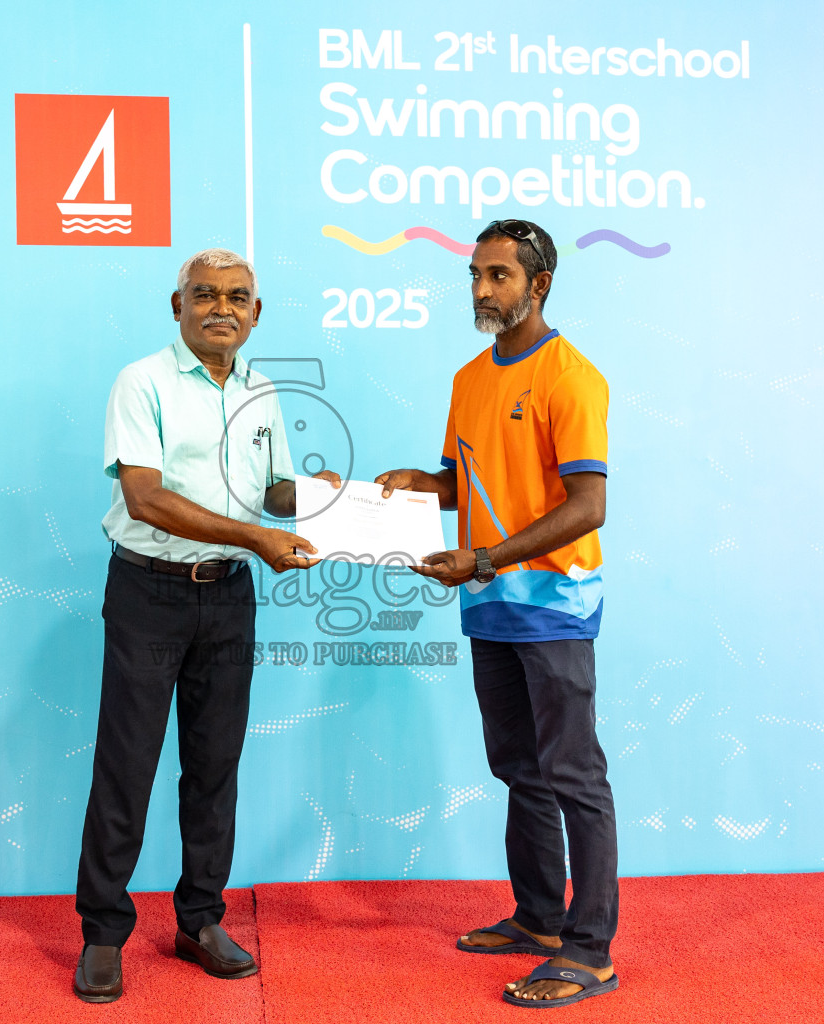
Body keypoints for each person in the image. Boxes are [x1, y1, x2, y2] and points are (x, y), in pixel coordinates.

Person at [73, 248, 339, 1003]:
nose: (221, 307)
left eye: (237, 296)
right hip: (148, 591)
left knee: (214, 765)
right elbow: (146, 498)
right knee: (126, 765)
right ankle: (101, 933)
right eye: (205, 294)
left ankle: (199, 922)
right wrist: (256, 535)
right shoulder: (142, 382)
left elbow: (276, 494)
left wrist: (324, 497)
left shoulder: (262, 392)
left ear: (257, 313)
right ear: (177, 304)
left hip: (228, 595)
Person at [375, 220, 619, 1009]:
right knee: (519, 769)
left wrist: (482, 559)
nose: (481, 290)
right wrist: (422, 483)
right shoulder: (469, 379)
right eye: (475, 275)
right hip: (488, 609)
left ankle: (590, 950)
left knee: (574, 775)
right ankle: (540, 919)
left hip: (553, 608)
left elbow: (588, 507)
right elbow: (464, 482)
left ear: (538, 284)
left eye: (498, 277)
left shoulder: (571, 377)